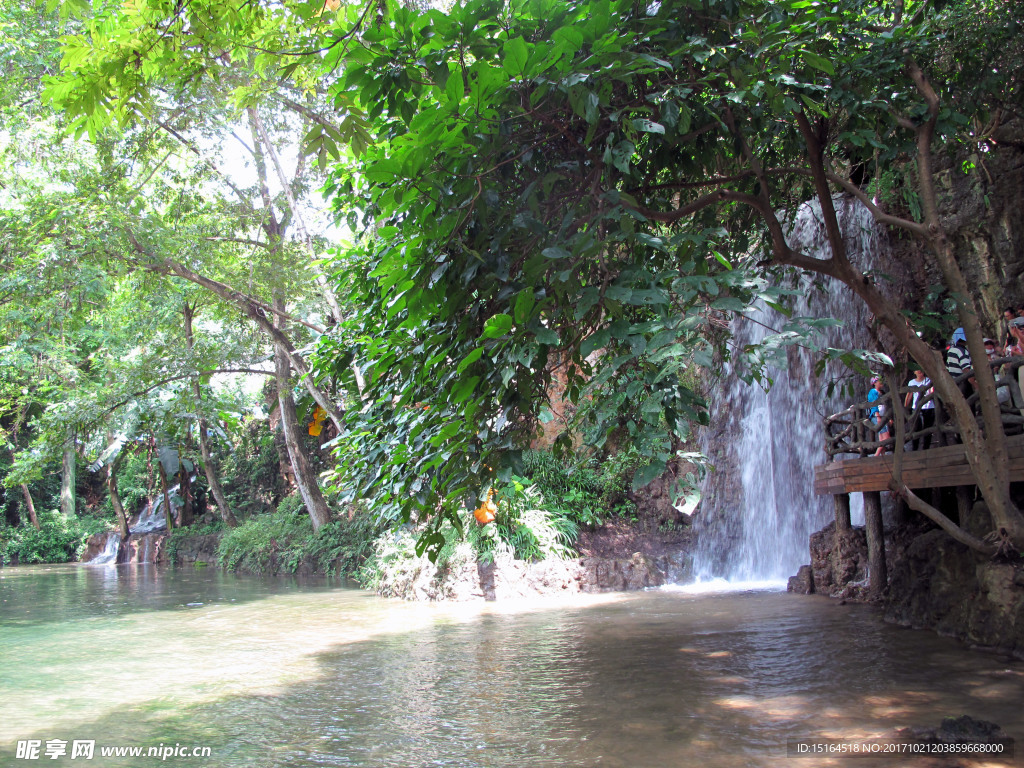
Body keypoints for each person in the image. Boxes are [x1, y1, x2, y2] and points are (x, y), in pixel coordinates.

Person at [904, 365, 934, 450]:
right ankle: (915, 448)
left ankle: (926, 448)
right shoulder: (911, 382)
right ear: (914, 372)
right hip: (916, 407)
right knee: (916, 428)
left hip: (929, 407)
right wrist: (905, 407)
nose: (919, 371)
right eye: (917, 370)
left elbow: (931, 392)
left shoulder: (928, 380)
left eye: (920, 369)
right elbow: (909, 395)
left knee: (928, 428)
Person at [946, 327, 973, 396]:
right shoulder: (963, 351)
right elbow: (965, 369)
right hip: (963, 383)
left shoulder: (951, 350)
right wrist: (974, 383)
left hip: (953, 383)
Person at [867, 376, 889, 456]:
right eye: (879, 381)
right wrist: (878, 416)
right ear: (875, 383)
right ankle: (876, 455)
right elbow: (874, 404)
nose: (881, 382)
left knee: (881, 438)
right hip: (877, 417)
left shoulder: (882, 392)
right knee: (887, 438)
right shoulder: (873, 391)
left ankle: (882, 456)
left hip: (882, 416)